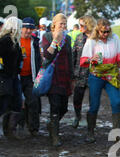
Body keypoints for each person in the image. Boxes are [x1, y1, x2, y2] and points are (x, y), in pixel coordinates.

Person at [80, 18, 120, 143]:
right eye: (102, 32)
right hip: (96, 75)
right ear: (97, 31)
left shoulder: (115, 39)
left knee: (116, 102)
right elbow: (83, 60)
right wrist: (92, 59)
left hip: (111, 74)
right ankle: (90, 132)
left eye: (107, 32)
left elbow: (119, 58)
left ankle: (117, 133)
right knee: (94, 105)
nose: (105, 35)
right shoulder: (91, 42)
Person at [42, 13, 73, 147]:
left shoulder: (68, 38)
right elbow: (47, 55)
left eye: (65, 24)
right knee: (55, 105)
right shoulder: (47, 36)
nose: (63, 26)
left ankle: (51, 124)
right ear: (54, 24)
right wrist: (55, 41)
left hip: (64, 76)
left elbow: (70, 58)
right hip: (52, 76)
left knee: (64, 107)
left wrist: (72, 78)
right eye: (61, 24)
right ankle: (55, 136)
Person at [71, 15, 96, 129]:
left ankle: (91, 123)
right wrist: (71, 72)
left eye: (82, 25)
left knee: (93, 99)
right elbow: (74, 54)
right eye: (79, 24)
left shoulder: (97, 38)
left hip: (93, 73)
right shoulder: (79, 37)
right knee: (77, 97)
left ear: (89, 24)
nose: (80, 27)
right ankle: (77, 116)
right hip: (80, 73)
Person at [18, 17, 42, 136]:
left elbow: (38, 60)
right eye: (26, 28)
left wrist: (38, 77)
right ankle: (18, 125)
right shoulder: (16, 41)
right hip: (17, 77)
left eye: (30, 29)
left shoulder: (35, 42)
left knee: (33, 101)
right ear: (21, 28)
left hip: (31, 76)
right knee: (18, 102)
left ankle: (33, 128)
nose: (28, 31)